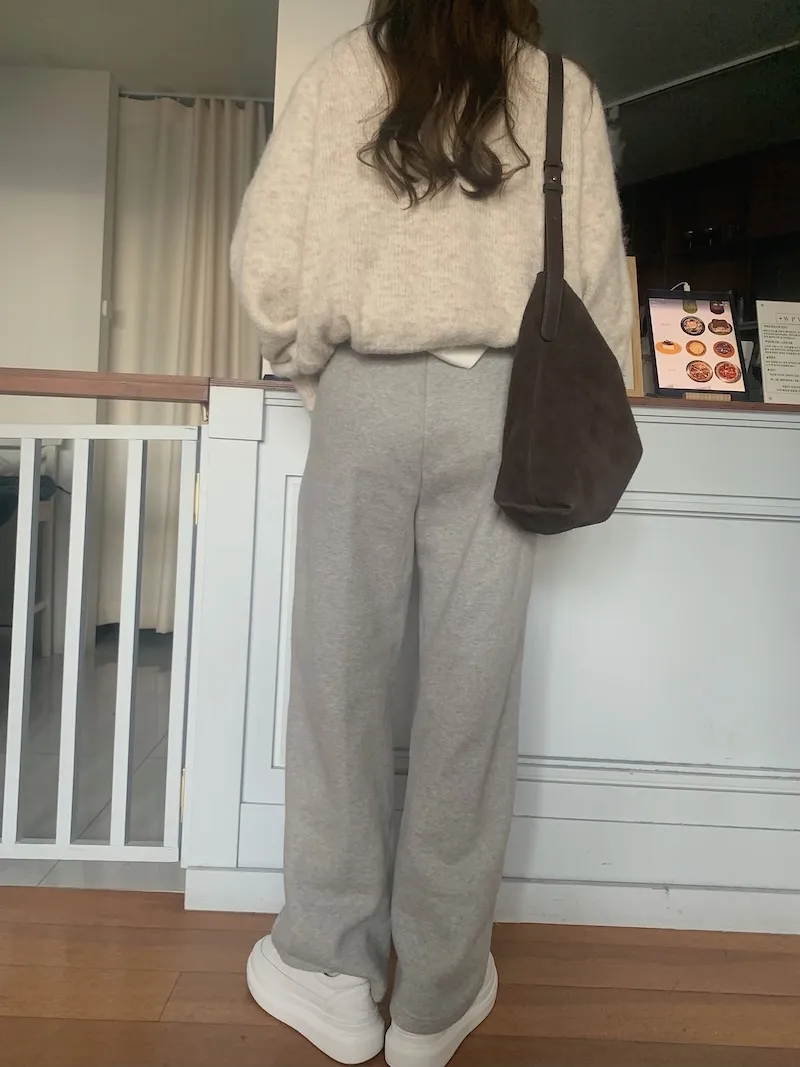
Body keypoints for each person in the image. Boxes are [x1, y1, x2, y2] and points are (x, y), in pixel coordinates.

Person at [231, 2, 631, 1064]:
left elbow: (268, 261)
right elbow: (595, 289)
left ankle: (329, 970)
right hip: (503, 406)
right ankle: (435, 996)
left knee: (339, 685)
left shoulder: (343, 71)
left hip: (365, 394)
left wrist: (311, 363)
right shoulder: (560, 89)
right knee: (469, 702)